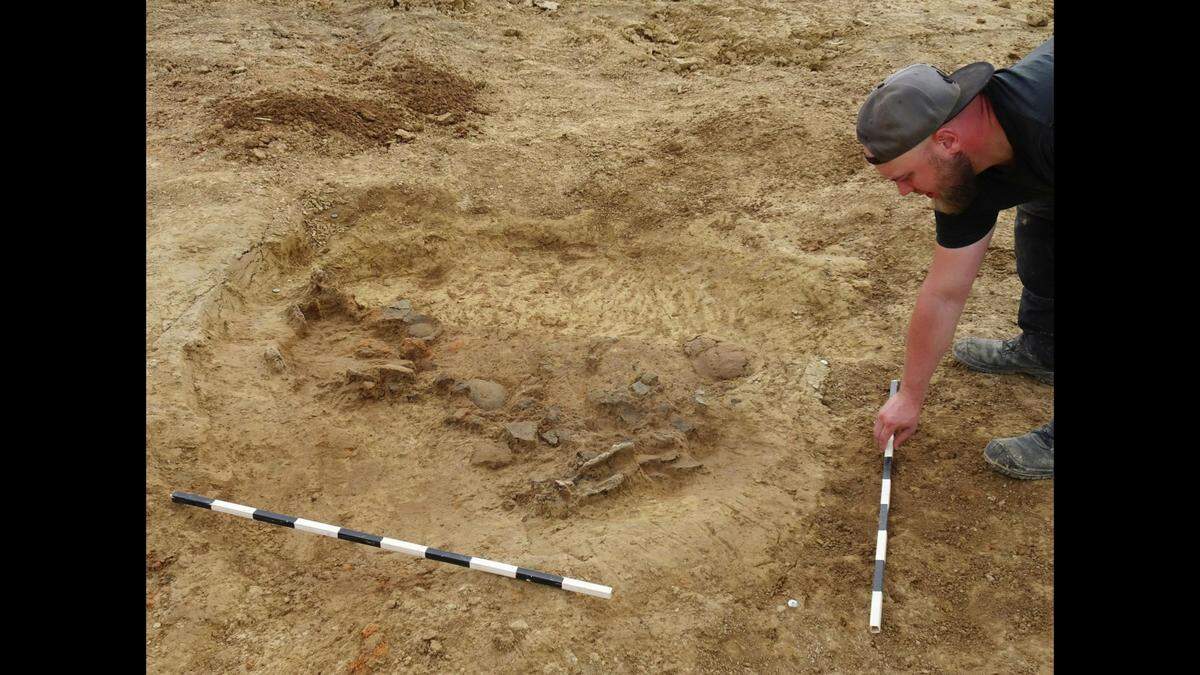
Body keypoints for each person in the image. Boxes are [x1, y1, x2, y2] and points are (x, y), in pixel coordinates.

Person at [855, 38, 1053, 479]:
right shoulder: (963, 171)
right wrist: (910, 395)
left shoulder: (1042, 124)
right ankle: (1045, 348)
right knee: (1041, 229)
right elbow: (945, 291)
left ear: (946, 140)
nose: (904, 192)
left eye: (905, 176)